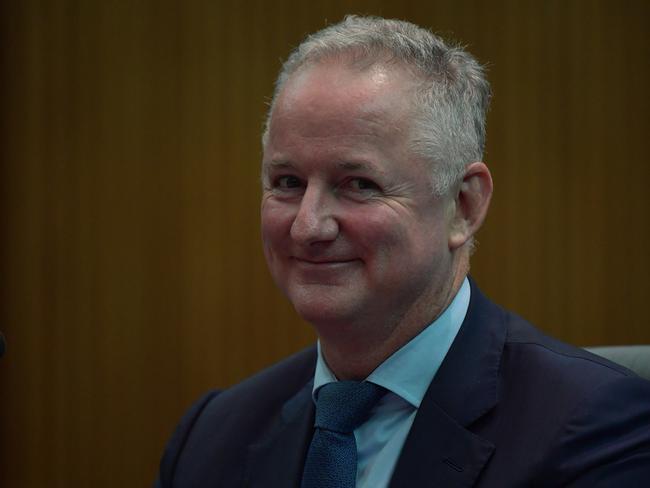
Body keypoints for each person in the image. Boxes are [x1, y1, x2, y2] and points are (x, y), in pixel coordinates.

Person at [155, 16, 650, 487]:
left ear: (463, 205)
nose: (308, 226)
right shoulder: (213, 437)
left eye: (359, 184)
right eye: (287, 182)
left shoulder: (594, 427)